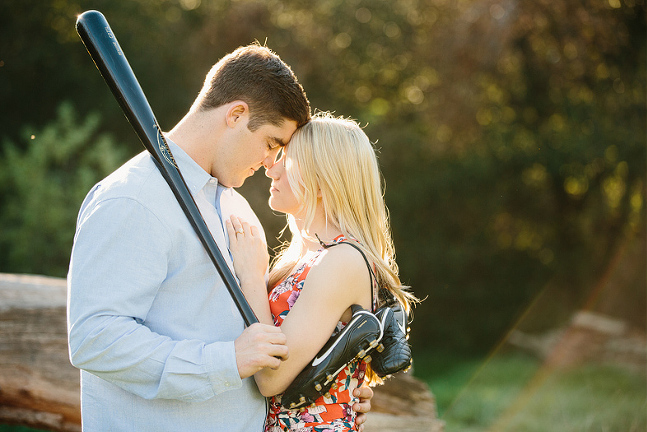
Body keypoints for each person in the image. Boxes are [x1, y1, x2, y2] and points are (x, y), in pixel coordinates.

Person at [67, 45, 374, 431]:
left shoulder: (236, 208)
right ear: (236, 114)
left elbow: (272, 335)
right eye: (270, 143)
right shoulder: (133, 199)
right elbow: (95, 338)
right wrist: (225, 361)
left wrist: (334, 388)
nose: (269, 162)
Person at [226, 114, 416, 431]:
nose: (270, 169)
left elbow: (271, 378)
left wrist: (251, 276)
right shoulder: (307, 257)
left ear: (319, 180)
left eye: (285, 161)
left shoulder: (342, 261)